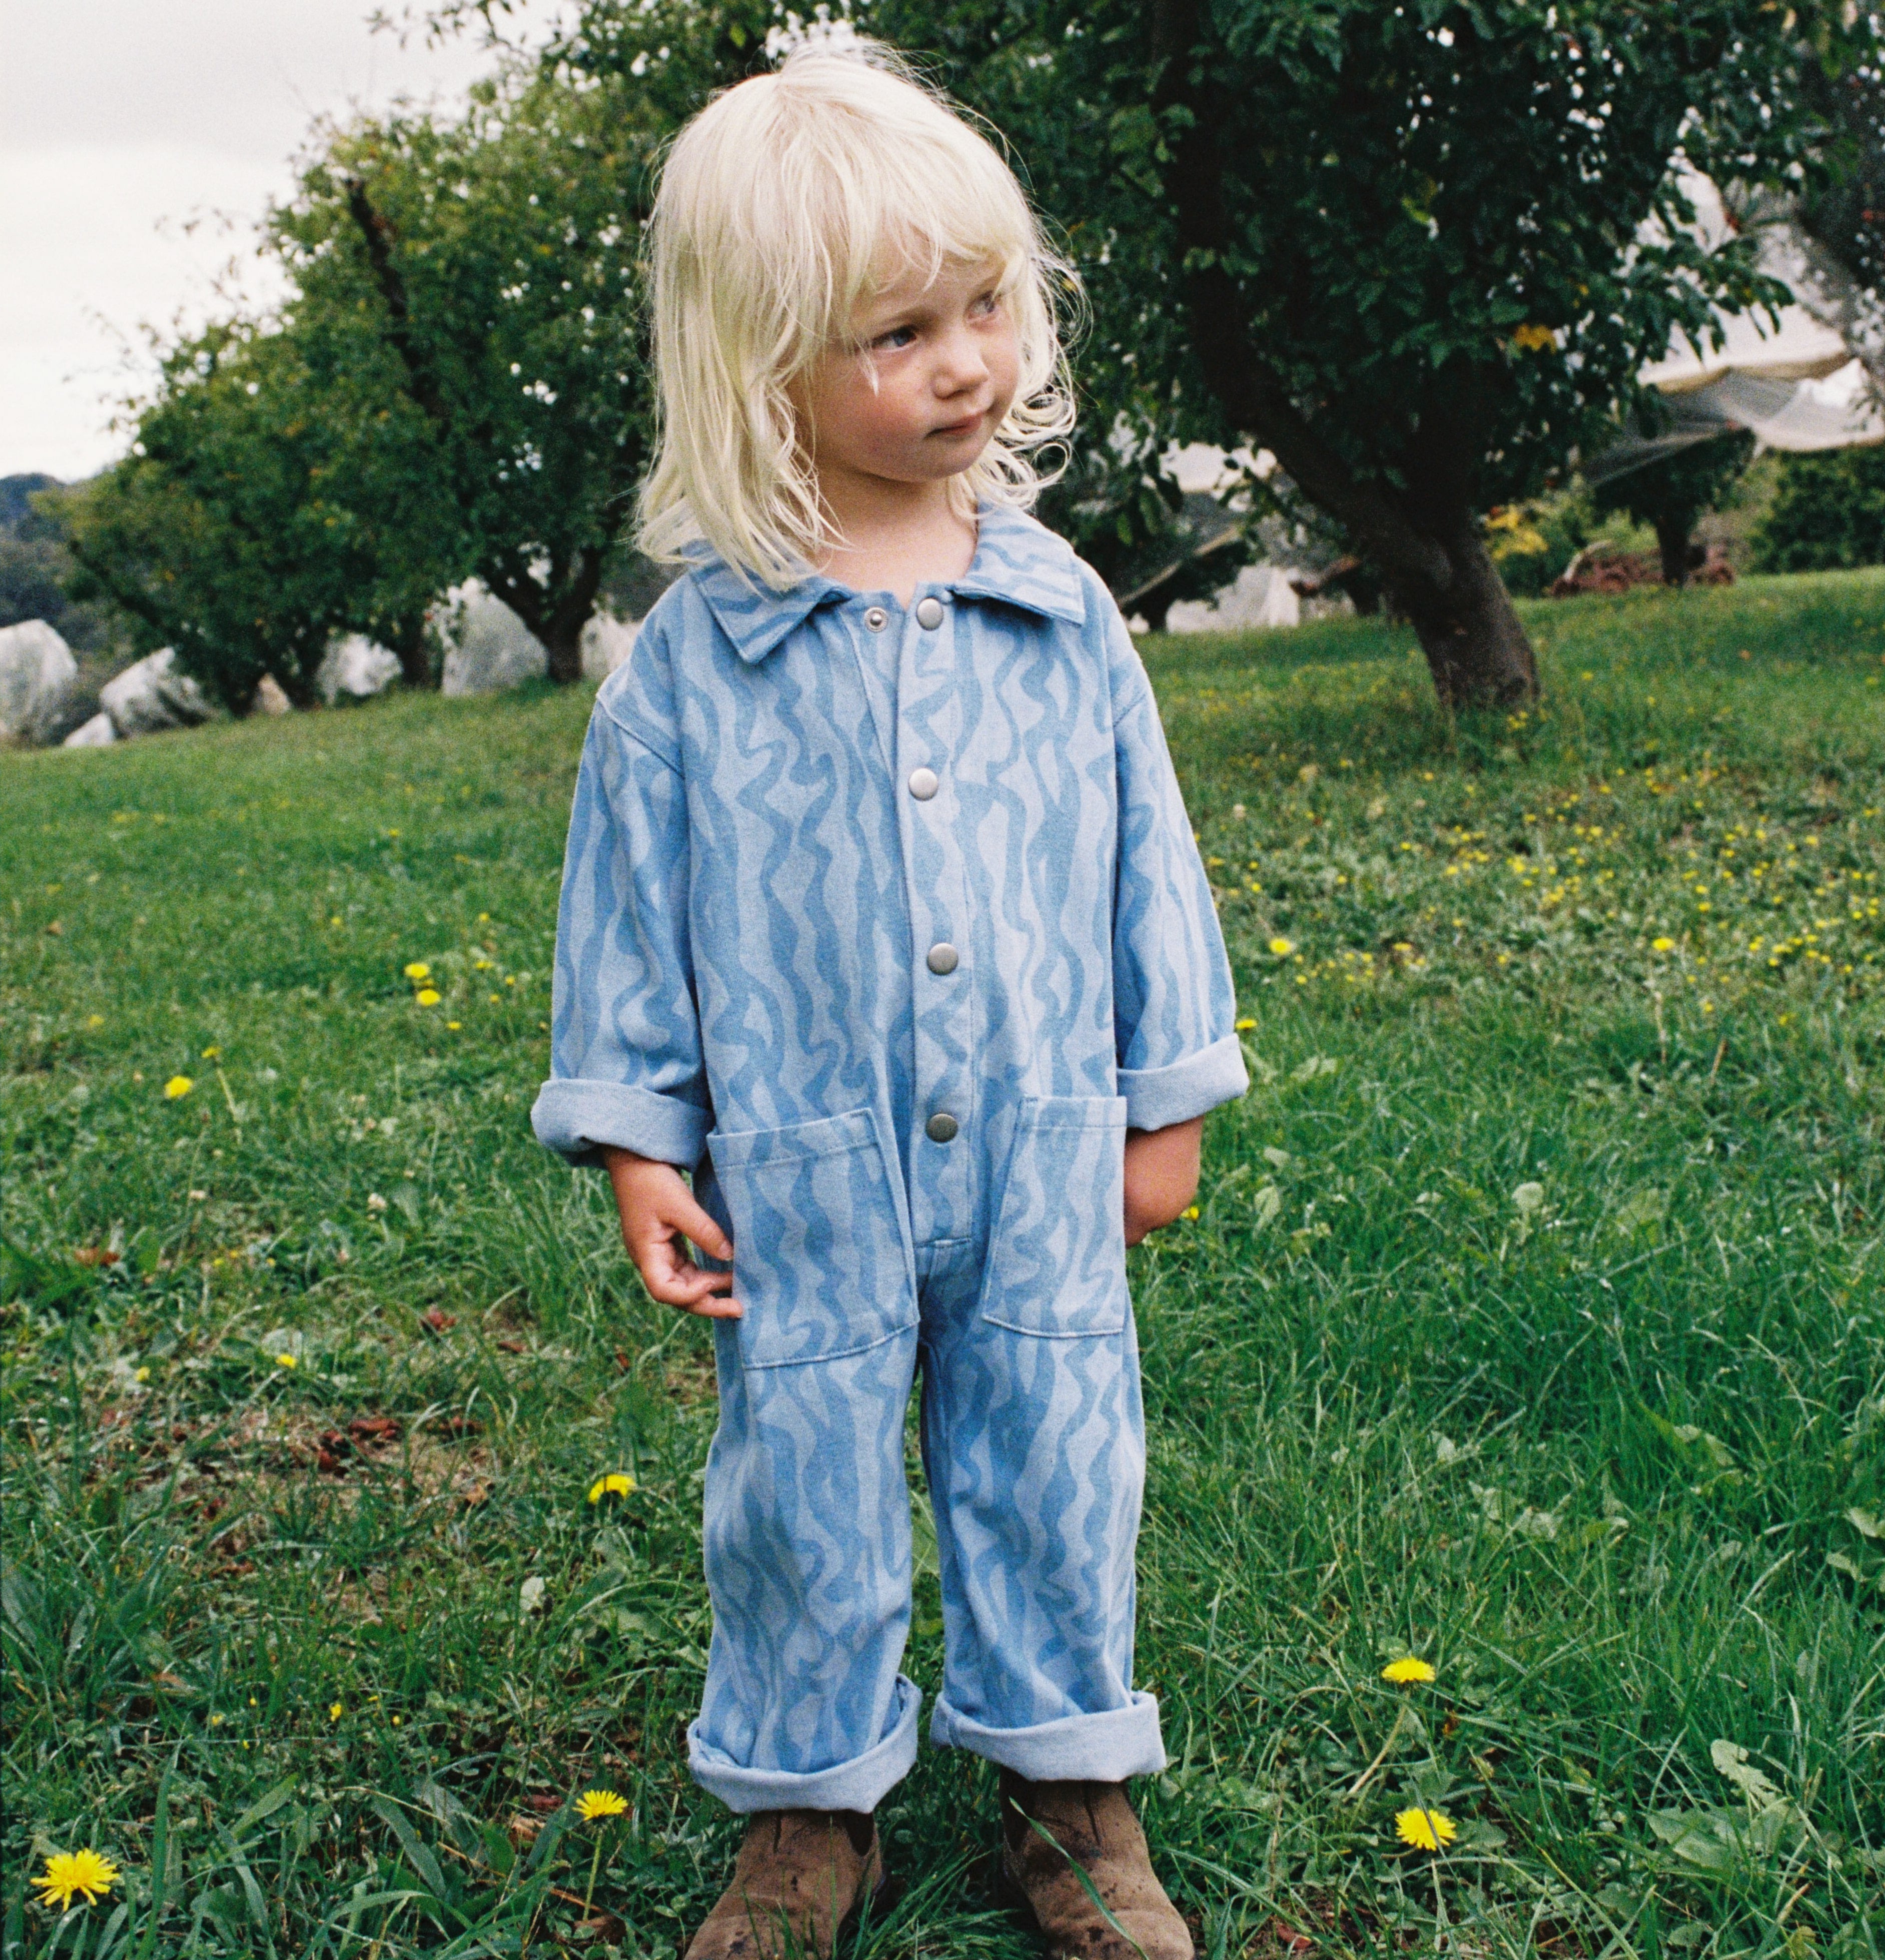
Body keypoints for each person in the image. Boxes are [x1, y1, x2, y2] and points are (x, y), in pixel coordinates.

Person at [531, 39, 1246, 1960]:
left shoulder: (1064, 614)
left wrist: (1164, 1100)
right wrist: (640, 1147)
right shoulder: (693, 663)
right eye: (900, 333)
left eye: (987, 308)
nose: (965, 365)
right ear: (763, 364)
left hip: (1036, 1154)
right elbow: (629, 922)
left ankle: (1071, 1796)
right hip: (802, 1174)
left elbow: (1149, 866)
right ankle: (801, 1817)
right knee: (800, 1493)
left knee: (1055, 1467)